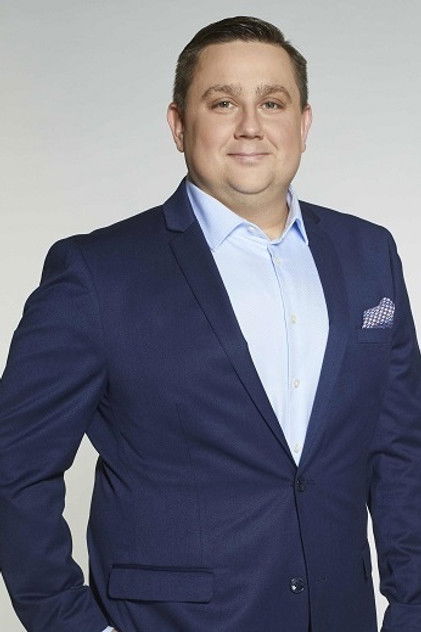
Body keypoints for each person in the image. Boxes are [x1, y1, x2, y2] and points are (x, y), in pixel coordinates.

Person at [0, 14, 420, 632]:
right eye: (223, 102)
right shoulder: (96, 273)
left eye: (272, 102)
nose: (251, 125)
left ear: (303, 123)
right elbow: (14, 467)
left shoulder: (369, 253)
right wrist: (70, 623)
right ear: (178, 124)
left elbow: (402, 451)